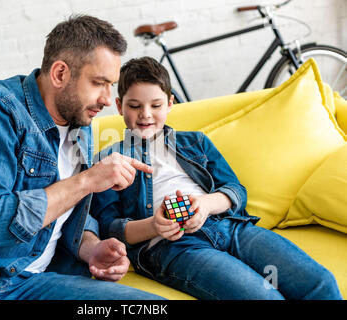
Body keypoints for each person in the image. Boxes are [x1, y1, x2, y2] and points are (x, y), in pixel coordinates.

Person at [0, 15, 164, 300]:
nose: (108, 99)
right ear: (60, 73)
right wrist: (87, 180)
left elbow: (69, 210)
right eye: (99, 83)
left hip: (30, 283)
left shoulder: (81, 124)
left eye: (111, 85)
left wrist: (90, 247)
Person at [90, 56, 343, 300]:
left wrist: (206, 205)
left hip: (230, 226)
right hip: (174, 246)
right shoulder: (110, 159)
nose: (145, 114)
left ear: (169, 103)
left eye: (155, 105)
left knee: (320, 283)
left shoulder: (196, 142)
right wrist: (154, 226)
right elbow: (109, 229)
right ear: (120, 105)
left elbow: (236, 191)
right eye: (135, 106)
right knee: (263, 295)